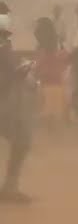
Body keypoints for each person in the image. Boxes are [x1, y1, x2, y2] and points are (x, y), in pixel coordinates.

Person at [0, 11, 34, 203]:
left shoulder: (6, 51)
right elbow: (16, 73)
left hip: (5, 103)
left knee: (21, 140)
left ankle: (9, 187)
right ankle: (10, 188)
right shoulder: (4, 51)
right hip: (4, 105)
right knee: (22, 140)